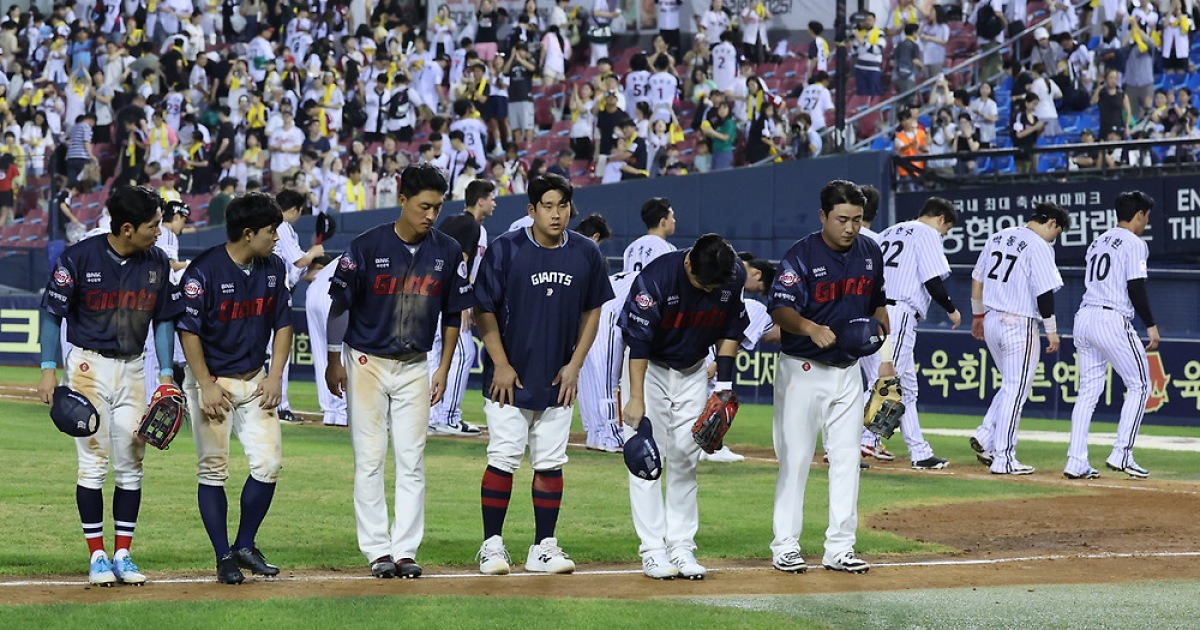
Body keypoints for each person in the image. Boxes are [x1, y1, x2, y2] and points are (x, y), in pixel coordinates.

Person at [325, 164, 473, 579]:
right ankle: (378, 550)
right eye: (424, 206)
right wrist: (334, 358)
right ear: (402, 200)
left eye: (437, 207)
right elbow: (340, 305)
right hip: (367, 362)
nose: (431, 215)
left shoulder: (447, 251)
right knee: (370, 458)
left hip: (415, 364)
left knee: (412, 460)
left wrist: (443, 367)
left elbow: (454, 313)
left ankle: (405, 550)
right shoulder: (366, 246)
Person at [36, 185, 182, 586]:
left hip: (134, 367)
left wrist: (165, 374)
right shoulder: (79, 257)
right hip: (88, 367)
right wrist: (48, 368)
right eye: (153, 225)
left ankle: (123, 554)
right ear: (128, 228)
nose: (160, 231)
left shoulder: (156, 261)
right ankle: (97, 555)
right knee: (93, 462)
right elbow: (52, 312)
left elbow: (164, 319)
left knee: (132, 462)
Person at [472, 174, 612, 576]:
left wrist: (575, 366)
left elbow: (593, 311)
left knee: (551, 462)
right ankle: (491, 545)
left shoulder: (586, 252)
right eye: (547, 206)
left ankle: (544, 546)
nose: (556, 214)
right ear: (531, 210)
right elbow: (484, 310)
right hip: (509, 379)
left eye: (562, 206)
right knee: (503, 458)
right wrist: (500, 363)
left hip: (558, 379)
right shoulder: (506, 249)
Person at [767, 180, 892, 576]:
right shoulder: (801, 254)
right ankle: (786, 545)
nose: (851, 227)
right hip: (802, 370)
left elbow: (878, 305)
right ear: (823, 216)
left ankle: (840, 547)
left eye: (857, 219)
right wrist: (809, 327)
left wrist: (884, 353)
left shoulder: (870, 251)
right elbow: (779, 308)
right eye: (842, 219)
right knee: (796, 459)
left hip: (848, 371)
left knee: (847, 460)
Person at [176, 192, 292, 585]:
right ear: (248, 233)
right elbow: (188, 331)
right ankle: (223, 555)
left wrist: (275, 376)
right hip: (213, 381)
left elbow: (283, 323)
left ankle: (244, 545)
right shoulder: (203, 271)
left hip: (256, 378)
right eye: (271, 230)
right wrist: (204, 383)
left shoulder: (273, 266)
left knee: (268, 465)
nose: (276, 237)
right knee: (213, 469)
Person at [619, 234, 748, 579]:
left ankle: (681, 546)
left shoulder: (731, 274)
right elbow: (638, 342)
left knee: (686, 458)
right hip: (650, 369)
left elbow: (730, 330)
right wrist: (636, 397)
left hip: (693, 370)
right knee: (647, 459)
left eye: (714, 287)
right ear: (689, 261)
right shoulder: (657, 278)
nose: (709, 291)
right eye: (703, 285)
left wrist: (724, 386)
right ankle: (652, 551)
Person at [969, 203, 1070, 475]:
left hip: (991, 319)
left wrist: (977, 315)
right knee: (1016, 389)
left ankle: (987, 436)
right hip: (1019, 323)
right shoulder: (1039, 246)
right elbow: (1044, 293)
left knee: (1012, 386)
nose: (1054, 238)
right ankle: (1004, 457)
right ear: (1051, 223)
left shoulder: (998, 236)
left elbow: (976, 279)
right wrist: (1051, 329)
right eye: (1057, 232)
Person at [1066, 191, 1159, 480]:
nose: (1146, 222)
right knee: (1140, 384)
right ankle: (1122, 453)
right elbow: (1135, 286)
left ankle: (1075, 461)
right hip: (1111, 318)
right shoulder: (1134, 243)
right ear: (1139, 214)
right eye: (1146, 217)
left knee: (1087, 392)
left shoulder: (1098, 241)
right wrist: (1150, 324)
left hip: (1085, 317)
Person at [874, 197, 961, 469]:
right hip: (898, 312)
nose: (943, 233)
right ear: (940, 218)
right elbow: (932, 279)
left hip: (877, 310)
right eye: (945, 229)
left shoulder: (887, 232)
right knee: (886, 379)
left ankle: (919, 452)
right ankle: (859, 442)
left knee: (907, 389)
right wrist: (951, 309)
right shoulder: (927, 233)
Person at [428, 180, 498, 437]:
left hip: (432, 298)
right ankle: (447, 417)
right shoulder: (470, 226)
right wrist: (462, 302)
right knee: (463, 353)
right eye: (491, 198)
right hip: (448, 300)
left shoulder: (451, 221)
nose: (494, 203)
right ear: (480, 201)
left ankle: (430, 416)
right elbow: (461, 263)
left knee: (435, 357)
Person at [273, 190, 326, 423]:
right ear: (295, 209)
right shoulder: (282, 225)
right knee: (280, 352)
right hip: (276, 297)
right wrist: (314, 251)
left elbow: (295, 271)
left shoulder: (273, 227)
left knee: (271, 352)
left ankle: (273, 404)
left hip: (270, 293)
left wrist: (312, 271)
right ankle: (280, 406)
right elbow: (300, 260)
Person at [306, 256, 348, 427]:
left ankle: (331, 412)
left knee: (324, 355)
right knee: (341, 352)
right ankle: (342, 411)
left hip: (315, 290)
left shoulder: (346, 255)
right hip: (335, 295)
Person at [624, 197, 678, 273]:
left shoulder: (631, 247)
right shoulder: (666, 248)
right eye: (672, 217)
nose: (674, 221)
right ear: (663, 222)